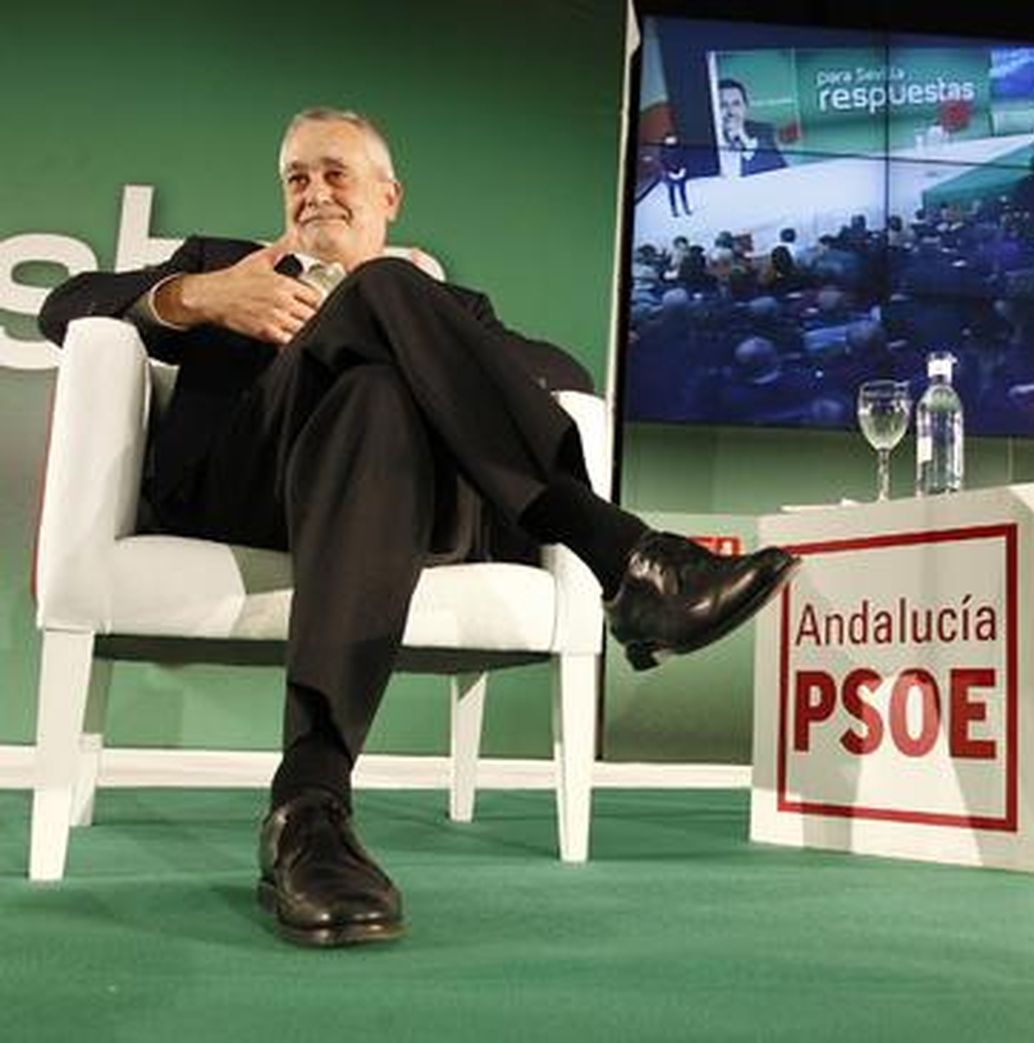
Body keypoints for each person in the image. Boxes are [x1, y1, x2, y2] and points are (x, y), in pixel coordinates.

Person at [38, 108, 800, 947]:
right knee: (384, 300)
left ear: (388, 196)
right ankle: (626, 560)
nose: (313, 192)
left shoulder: (443, 303)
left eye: (336, 173)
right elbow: (67, 304)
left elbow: (562, 374)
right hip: (247, 486)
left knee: (379, 384)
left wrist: (401, 326)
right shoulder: (226, 265)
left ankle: (308, 806)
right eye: (297, 176)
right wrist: (202, 298)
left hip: (394, 499)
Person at [715, 78, 786, 177]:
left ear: (745, 107)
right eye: (723, 105)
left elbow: (781, 172)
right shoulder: (706, 141)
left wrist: (746, 142)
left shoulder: (763, 133)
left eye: (736, 104)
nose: (730, 112)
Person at [659, 134, 691, 217]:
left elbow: (684, 159)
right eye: (670, 139)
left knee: (682, 191)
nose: (672, 140)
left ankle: (686, 207)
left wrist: (683, 170)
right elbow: (662, 162)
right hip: (669, 175)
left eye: (673, 139)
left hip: (680, 173)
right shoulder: (663, 150)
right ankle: (674, 210)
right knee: (671, 192)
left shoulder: (680, 149)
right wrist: (669, 171)